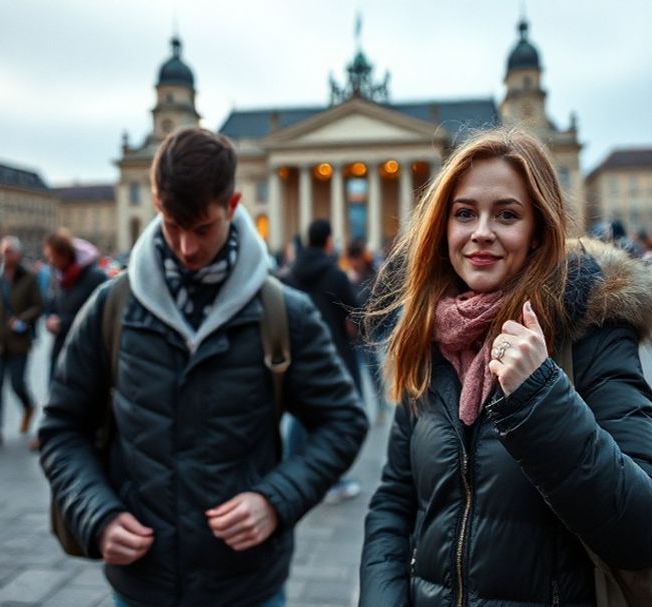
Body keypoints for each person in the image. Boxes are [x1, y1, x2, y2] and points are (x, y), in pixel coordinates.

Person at [38, 127, 367, 607]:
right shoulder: (111, 306)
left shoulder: (284, 311)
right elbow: (61, 427)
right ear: (155, 204)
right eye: (172, 225)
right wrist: (96, 514)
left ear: (232, 207)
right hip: (140, 585)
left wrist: (275, 500)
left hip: (247, 584)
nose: (186, 248)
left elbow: (344, 419)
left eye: (202, 228)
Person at [359, 129, 652, 606]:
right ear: (442, 227)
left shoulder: (591, 335)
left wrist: (541, 397)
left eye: (507, 214)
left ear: (537, 232)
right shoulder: (429, 337)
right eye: (465, 213)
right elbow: (394, 502)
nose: (481, 232)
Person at [279, 219, 362, 503]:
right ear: (328, 241)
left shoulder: (288, 274)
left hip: (294, 354)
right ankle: (331, 480)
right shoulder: (336, 275)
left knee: (298, 416)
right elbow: (354, 316)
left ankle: (289, 469)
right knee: (332, 419)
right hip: (332, 355)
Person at [30, 231, 108, 452]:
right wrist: (50, 319)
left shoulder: (94, 277)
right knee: (54, 390)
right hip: (60, 346)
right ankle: (49, 433)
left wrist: (62, 323)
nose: (50, 261)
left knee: (84, 396)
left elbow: (97, 316)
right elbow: (51, 305)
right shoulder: (59, 276)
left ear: (65, 253)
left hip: (87, 351)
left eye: (52, 255)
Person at [0, 236, 44, 448]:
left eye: (10, 252)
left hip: (18, 341)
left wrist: (22, 319)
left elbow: (38, 305)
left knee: (17, 383)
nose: (6, 256)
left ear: (18, 254)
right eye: (3, 252)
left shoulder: (28, 278)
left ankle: (28, 406)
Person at [345, 238, 390, 424]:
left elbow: (379, 302)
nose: (353, 263)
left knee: (373, 370)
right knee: (354, 372)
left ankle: (380, 402)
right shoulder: (348, 278)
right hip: (352, 335)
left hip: (368, 332)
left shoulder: (372, 277)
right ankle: (359, 408)